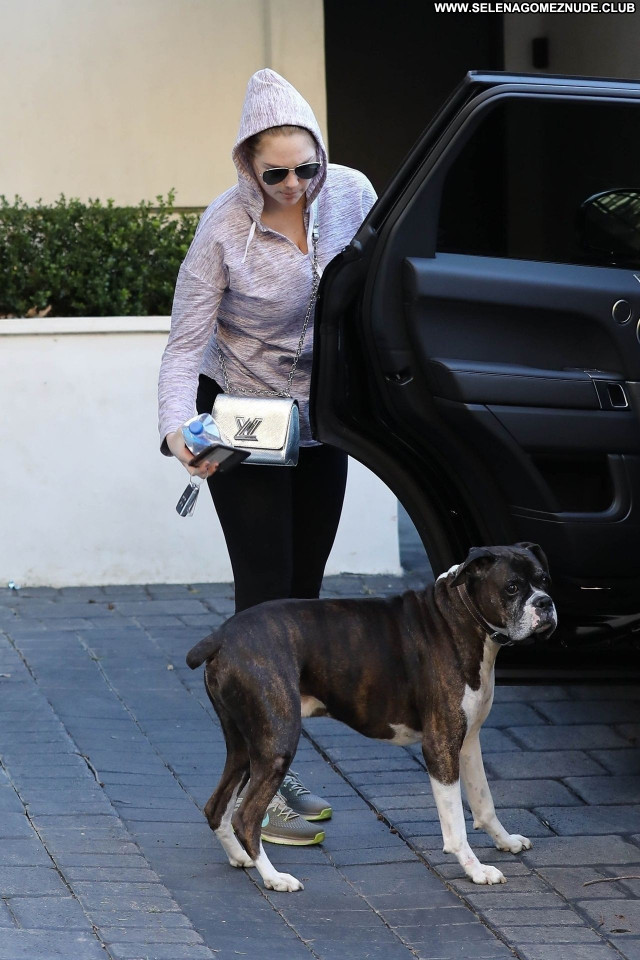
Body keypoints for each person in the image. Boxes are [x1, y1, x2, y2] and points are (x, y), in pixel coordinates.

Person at [158, 69, 376, 845]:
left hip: (323, 423)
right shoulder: (223, 228)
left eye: (305, 169)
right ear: (247, 166)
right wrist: (177, 430)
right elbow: (184, 345)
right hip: (247, 420)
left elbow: (383, 290)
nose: (294, 186)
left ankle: (274, 767)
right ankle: (256, 787)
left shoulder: (351, 195)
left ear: (322, 156)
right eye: (274, 174)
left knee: (302, 607)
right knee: (262, 607)